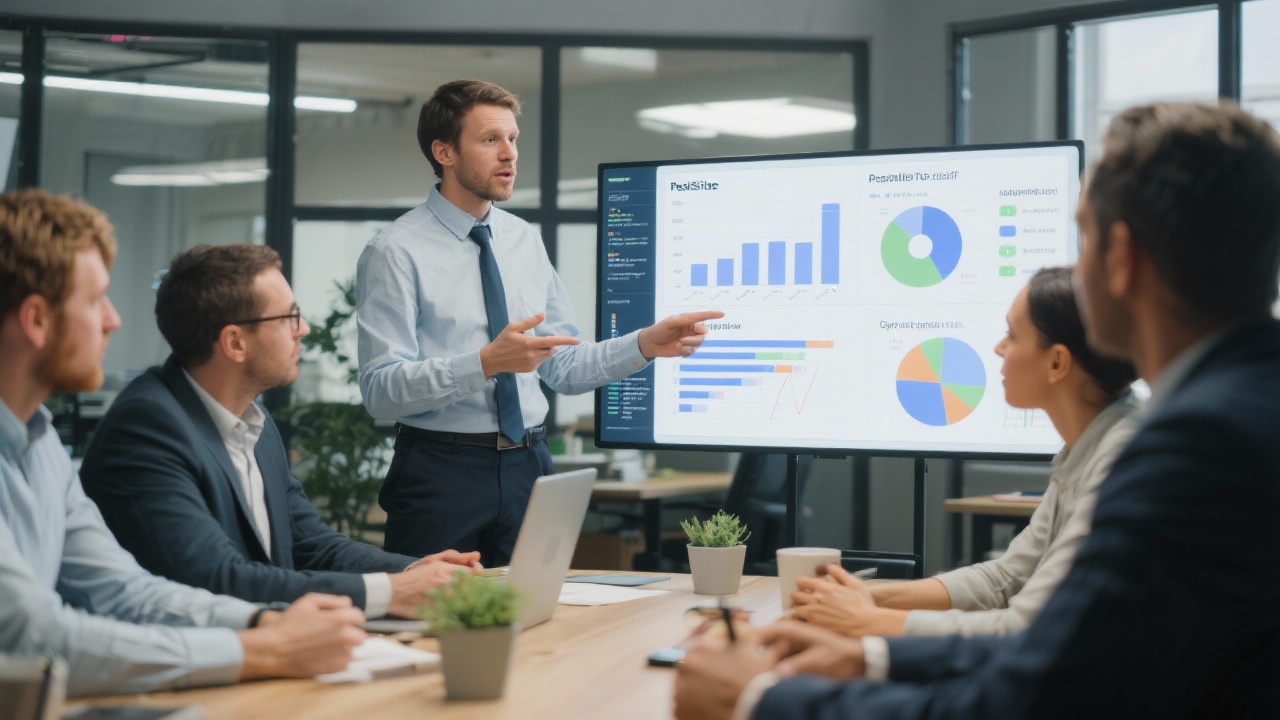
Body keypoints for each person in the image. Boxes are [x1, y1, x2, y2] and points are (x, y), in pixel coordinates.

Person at [673, 101, 1280, 720]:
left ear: (1121, 258)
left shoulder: (1200, 448)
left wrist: (758, 698)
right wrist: (872, 657)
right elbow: (1062, 652)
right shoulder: (1243, 411)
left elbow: (1031, 698)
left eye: (1084, 233)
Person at [0, 189, 365, 697]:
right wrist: (260, 650)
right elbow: (33, 638)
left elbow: (127, 593)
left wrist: (264, 622)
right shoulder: (147, 421)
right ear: (37, 320)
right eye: (94, 300)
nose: (113, 319)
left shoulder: (39, 445)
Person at [357, 79, 723, 564]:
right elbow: (381, 390)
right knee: (431, 626)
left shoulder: (522, 240)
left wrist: (644, 345)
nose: (509, 155)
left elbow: (564, 368)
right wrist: (485, 363)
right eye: (490, 140)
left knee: (540, 618)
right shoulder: (395, 251)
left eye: (513, 139)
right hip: (440, 473)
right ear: (443, 151)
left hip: (531, 466)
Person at [79, 244, 481, 620]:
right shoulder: (147, 429)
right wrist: (390, 592)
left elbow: (311, 544)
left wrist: (416, 570)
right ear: (235, 342)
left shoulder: (255, 419)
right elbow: (218, 580)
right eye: (289, 316)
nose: (303, 329)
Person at [792, 266, 1138, 638]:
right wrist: (871, 598)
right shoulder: (1088, 444)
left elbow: (1024, 628)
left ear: (1057, 362)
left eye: (1012, 334)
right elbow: (1006, 577)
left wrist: (867, 621)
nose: (998, 347)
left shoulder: (1121, 458)